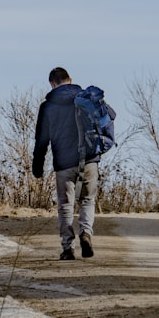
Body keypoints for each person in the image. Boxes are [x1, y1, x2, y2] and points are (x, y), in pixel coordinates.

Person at [32, 67, 114, 260]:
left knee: (65, 205)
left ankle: (68, 248)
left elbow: (41, 140)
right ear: (71, 80)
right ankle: (86, 233)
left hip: (63, 163)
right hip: (89, 159)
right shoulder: (87, 98)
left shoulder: (48, 107)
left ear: (52, 84)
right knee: (87, 200)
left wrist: (38, 165)